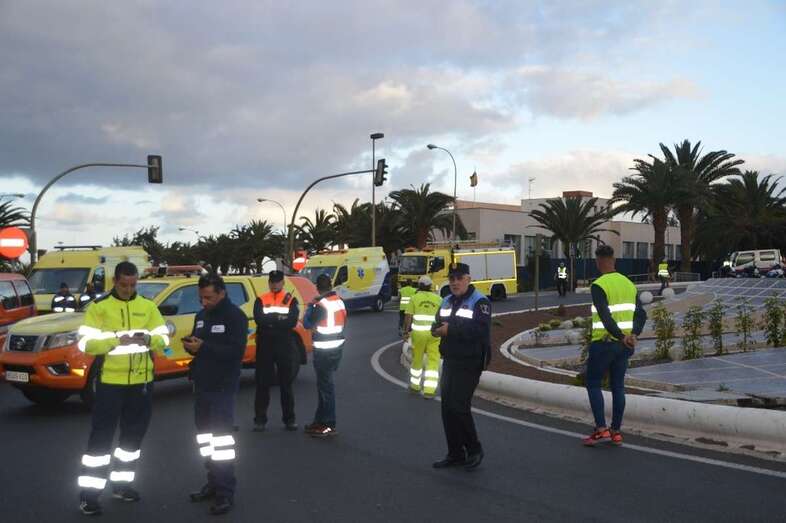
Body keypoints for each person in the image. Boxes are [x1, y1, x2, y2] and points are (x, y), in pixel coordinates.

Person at [75, 262, 169, 516]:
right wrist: (116, 340)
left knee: (132, 440)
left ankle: (122, 485)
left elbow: (164, 338)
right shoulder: (99, 308)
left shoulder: (148, 307)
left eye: (133, 284)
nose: (129, 289)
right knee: (100, 442)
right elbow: (85, 343)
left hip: (141, 384)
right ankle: (89, 496)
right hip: (110, 384)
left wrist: (150, 339)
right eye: (124, 284)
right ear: (115, 281)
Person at [184, 273, 248, 516]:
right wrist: (191, 346)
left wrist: (204, 348)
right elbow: (199, 344)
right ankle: (212, 482)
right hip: (202, 384)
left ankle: (225, 492)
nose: (204, 302)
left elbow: (235, 352)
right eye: (201, 298)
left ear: (222, 292)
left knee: (221, 443)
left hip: (222, 386)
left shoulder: (235, 317)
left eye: (208, 297)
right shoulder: (201, 316)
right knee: (205, 441)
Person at [583, 245, 646, 447]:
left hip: (604, 343)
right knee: (618, 386)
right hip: (625, 346)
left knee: (593, 383)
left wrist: (620, 336)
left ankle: (601, 429)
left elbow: (604, 315)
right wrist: (632, 335)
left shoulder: (599, 285)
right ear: (614, 259)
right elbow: (641, 314)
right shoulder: (629, 284)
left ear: (599, 261)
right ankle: (616, 431)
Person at [431, 262, 491, 471]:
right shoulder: (446, 300)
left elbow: (479, 330)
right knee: (447, 407)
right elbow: (436, 323)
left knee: (459, 405)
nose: (455, 283)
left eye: (459, 278)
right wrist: (436, 330)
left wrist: (451, 330)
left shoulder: (480, 301)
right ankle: (455, 453)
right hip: (450, 359)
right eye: (452, 279)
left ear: (468, 279)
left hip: (470, 360)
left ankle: (474, 449)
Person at [253, 270, 300, 432]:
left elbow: (292, 322)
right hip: (265, 345)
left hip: (284, 345)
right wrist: (279, 319)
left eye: (277, 281)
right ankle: (260, 420)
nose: (274, 284)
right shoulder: (261, 299)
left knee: (286, 384)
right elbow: (259, 319)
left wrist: (271, 321)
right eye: (272, 281)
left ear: (283, 282)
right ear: (269, 283)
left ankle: (289, 419)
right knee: (262, 384)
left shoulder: (291, 300)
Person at [303, 274, 346, 437]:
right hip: (337, 347)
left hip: (323, 349)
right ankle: (319, 421)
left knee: (326, 388)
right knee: (324, 386)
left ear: (317, 288)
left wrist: (310, 306)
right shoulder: (339, 301)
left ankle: (328, 423)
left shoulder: (321, 305)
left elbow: (307, 323)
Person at [402, 275, 442, 397]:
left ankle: (415, 386)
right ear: (430, 286)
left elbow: (408, 316)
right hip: (434, 334)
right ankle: (429, 390)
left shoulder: (414, 298)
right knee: (433, 360)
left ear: (419, 285)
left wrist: (405, 332)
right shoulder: (439, 299)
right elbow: (442, 317)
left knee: (417, 359)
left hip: (418, 334)